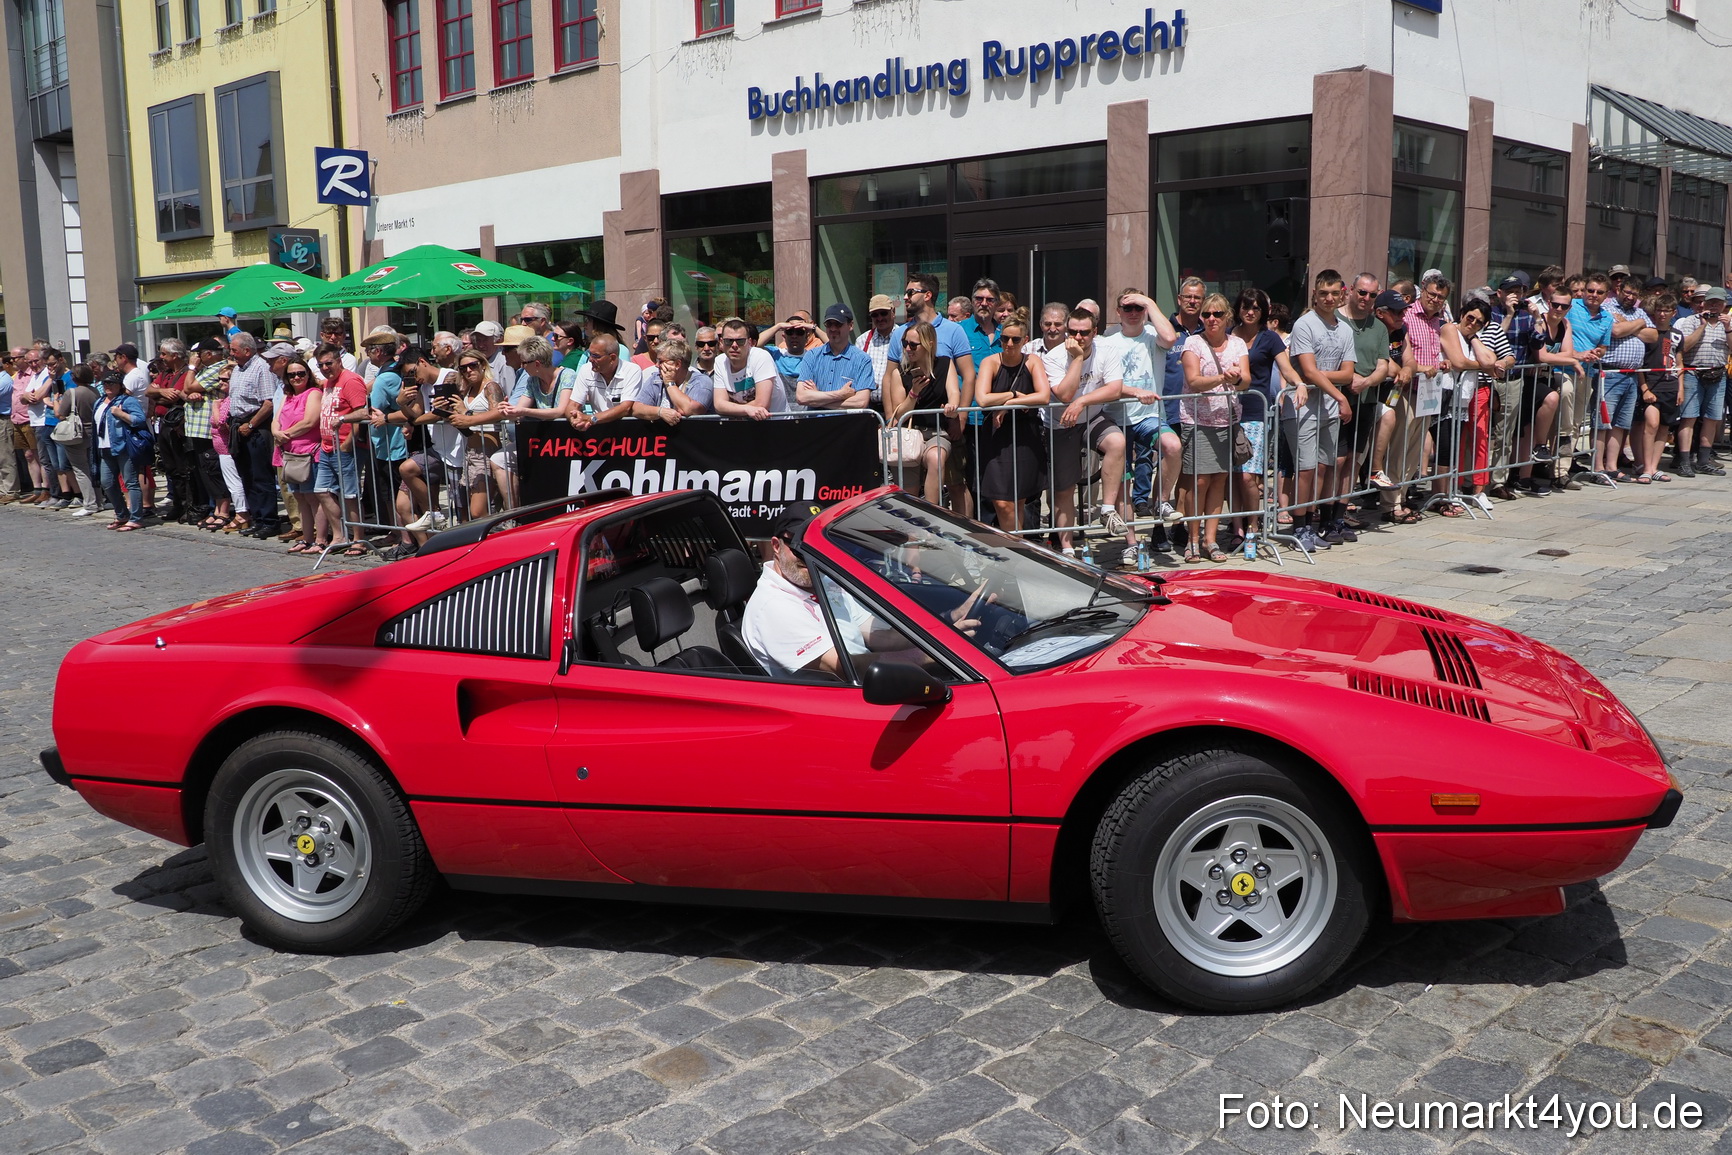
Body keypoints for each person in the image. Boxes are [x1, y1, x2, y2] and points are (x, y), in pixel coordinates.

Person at [1283, 271, 1356, 551]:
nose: (1328, 298)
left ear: (1341, 294)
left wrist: (1318, 376)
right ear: (1314, 293)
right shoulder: (1305, 324)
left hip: (1327, 408)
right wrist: (1338, 394)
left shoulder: (1345, 329)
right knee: (1305, 469)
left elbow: (1347, 373)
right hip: (1303, 408)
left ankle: (1312, 525)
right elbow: (1309, 371)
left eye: (1334, 293)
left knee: (1325, 468)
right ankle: (1299, 527)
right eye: (1323, 293)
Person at [1178, 293, 1250, 562]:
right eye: (1206, 314)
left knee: (1219, 479)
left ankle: (1210, 540)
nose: (1211, 319)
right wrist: (1223, 377)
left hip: (1227, 420)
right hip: (1197, 421)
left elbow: (1246, 381)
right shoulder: (1193, 342)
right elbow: (1194, 381)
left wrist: (1237, 378)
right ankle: (1192, 541)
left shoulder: (1238, 343)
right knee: (1199, 481)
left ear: (1227, 317)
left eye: (1217, 314)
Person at [972, 312, 1050, 530]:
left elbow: (1043, 396)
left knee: (1018, 501)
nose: (1009, 343)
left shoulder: (1032, 361)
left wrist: (1006, 405)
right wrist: (1015, 396)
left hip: (1026, 436)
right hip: (996, 438)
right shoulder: (990, 362)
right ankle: (1015, 547)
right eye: (1005, 338)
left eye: (1015, 339)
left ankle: (1016, 549)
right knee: (1001, 502)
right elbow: (982, 399)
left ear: (1025, 341)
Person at [1230, 288, 1289, 539]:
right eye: (1245, 307)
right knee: (1232, 475)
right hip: (1228, 409)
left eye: (1255, 307)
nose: (1250, 312)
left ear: (1263, 311)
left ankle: (1253, 523)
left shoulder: (1270, 338)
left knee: (1248, 475)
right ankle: (1236, 528)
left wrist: (1294, 389)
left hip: (1256, 410)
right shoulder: (1228, 334)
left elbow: (1286, 368)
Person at [883, 321, 960, 505]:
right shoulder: (899, 373)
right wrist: (913, 393)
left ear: (929, 344)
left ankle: (933, 515)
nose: (907, 349)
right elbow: (899, 413)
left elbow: (954, 392)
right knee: (909, 496)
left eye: (913, 344)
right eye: (904, 343)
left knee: (936, 458)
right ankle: (912, 531)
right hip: (908, 435)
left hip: (936, 432)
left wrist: (953, 407)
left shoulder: (945, 364)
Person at [1590, 276, 1656, 484]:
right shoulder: (1607, 307)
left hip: (1631, 376)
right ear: (1619, 290)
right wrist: (1638, 326)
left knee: (1620, 424)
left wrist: (1631, 323)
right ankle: (1597, 467)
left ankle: (1611, 466)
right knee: (1602, 423)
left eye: (1634, 294)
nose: (1629, 297)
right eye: (1626, 292)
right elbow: (1615, 331)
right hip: (1610, 373)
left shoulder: (1639, 312)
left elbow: (1653, 336)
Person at [226, 332, 280, 539]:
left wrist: (251, 424)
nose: (231, 354)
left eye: (234, 350)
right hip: (239, 427)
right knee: (246, 476)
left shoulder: (261, 368)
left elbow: (268, 402)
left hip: (256, 427)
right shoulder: (238, 369)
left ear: (247, 351)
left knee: (261, 476)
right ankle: (257, 519)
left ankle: (269, 521)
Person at [271, 356, 325, 554]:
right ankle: (306, 537)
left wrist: (285, 434)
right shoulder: (287, 395)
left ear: (307, 374)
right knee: (299, 498)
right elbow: (276, 420)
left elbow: (310, 421)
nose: (296, 378)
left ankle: (320, 539)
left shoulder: (313, 393)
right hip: (288, 454)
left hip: (308, 453)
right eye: (292, 374)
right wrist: (276, 432)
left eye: (300, 373)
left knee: (313, 498)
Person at [1676, 285, 1729, 477]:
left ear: (1724, 305)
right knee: (1689, 417)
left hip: (1717, 374)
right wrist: (1703, 325)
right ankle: (1684, 461)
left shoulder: (1728, 323)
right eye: (1710, 302)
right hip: (1693, 373)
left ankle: (1704, 460)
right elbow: (1685, 347)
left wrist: (1728, 328)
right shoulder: (1691, 320)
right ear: (1704, 303)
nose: (1713, 306)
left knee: (1712, 418)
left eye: (1718, 303)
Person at [1633, 291, 1681, 484]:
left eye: (1666, 311)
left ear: (1673, 313)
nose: (1662, 314)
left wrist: (1681, 389)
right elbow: (1639, 364)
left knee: (1664, 428)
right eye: (1659, 310)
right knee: (1651, 424)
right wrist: (1644, 388)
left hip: (1671, 385)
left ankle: (1654, 467)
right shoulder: (1649, 334)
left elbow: (1680, 362)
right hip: (1651, 386)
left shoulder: (1677, 335)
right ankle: (1645, 467)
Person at [794, 305, 877, 412]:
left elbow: (860, 402)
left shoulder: (862, 360)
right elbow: (801, 397)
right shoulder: (812, 356)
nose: (833, 329)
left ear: (850, 325)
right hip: (815, 425)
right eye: (829, 324)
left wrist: (817, 398)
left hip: (847, 425)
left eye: (838, 324)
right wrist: (841, 394)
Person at [94, 370, 147, 531]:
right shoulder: (99, 402)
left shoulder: (127, 401)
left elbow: (140, 420)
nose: (108, 386)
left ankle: (136, 518)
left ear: (120, 385)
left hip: (123, 447)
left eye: (112, 383)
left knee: (131, 482)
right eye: (105, 383)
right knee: (107, 483)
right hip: (104, 448)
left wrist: (121, 413)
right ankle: (122, 514)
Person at [712, 317, 787, 418]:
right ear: (721, 342)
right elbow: (719, 405)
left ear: (749, 342)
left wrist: (731, 409)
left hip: (776, 424)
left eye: (740, 341)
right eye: (729, 341)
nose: (734, 345)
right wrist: (747, 409)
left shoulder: (761, 357)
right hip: (742, 425)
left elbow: (762, 404)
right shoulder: (719, 361)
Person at [51, 363, 99, 515]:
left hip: (77, 434)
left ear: (74, 376)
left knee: (80, 470)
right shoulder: (95, 391)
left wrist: (55, 400)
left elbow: (60, 414)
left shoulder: (72, 392)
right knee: (93, 468)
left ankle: (90, 504)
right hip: (93, 433)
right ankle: (99, 500)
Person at [632, 337, 714, 423]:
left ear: (678, 364)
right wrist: (660, 412)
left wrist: (670, 383)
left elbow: (689, 410)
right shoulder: (655, 378)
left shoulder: (702, 382)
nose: (656, 365)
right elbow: (637, 408)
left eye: (661, 361)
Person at [856, 294, 898, 390]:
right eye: (875, 315)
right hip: (867, 402)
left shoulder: (903, 338)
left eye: (883, 313)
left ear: (893, 312)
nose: (879, 318)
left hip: (895, 403)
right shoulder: (862, 341)